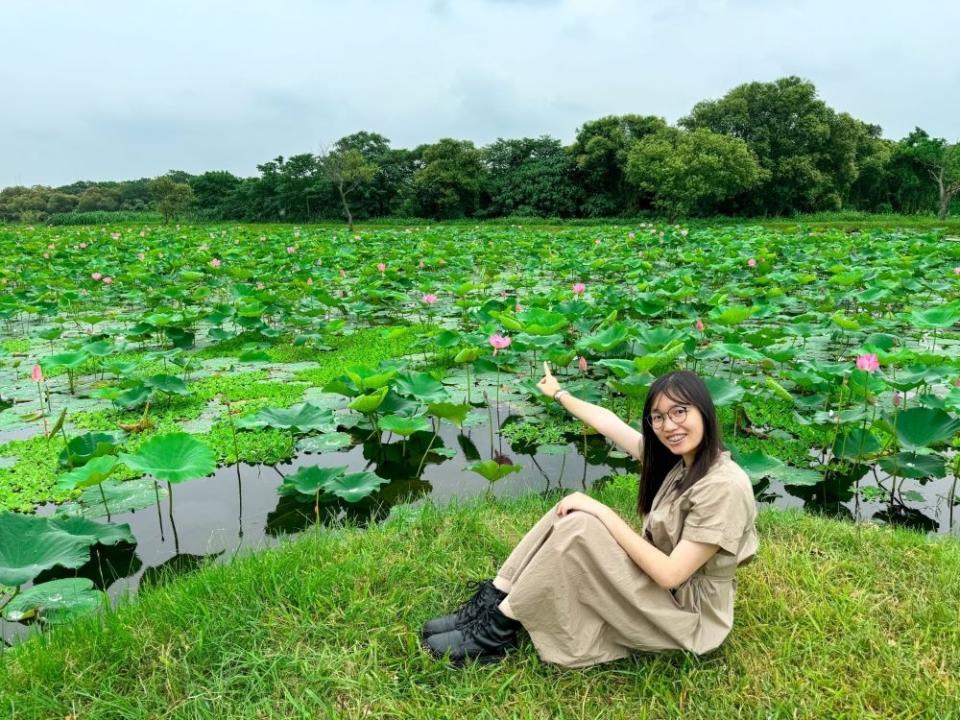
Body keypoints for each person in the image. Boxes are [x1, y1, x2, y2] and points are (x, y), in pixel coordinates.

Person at [421, 363, 759, 668]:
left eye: (680, 412)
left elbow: (671, 574)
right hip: (663, 592)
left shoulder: (723, 487)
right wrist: (559, 393)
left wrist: (600, 510)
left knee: (582, 523)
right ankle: (496, 599)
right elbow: (608, 422)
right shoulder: (679, 462)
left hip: (685, 616)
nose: (668, 425)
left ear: (705, 412)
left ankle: (494, 633)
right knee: (568, 516)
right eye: (658, 416)